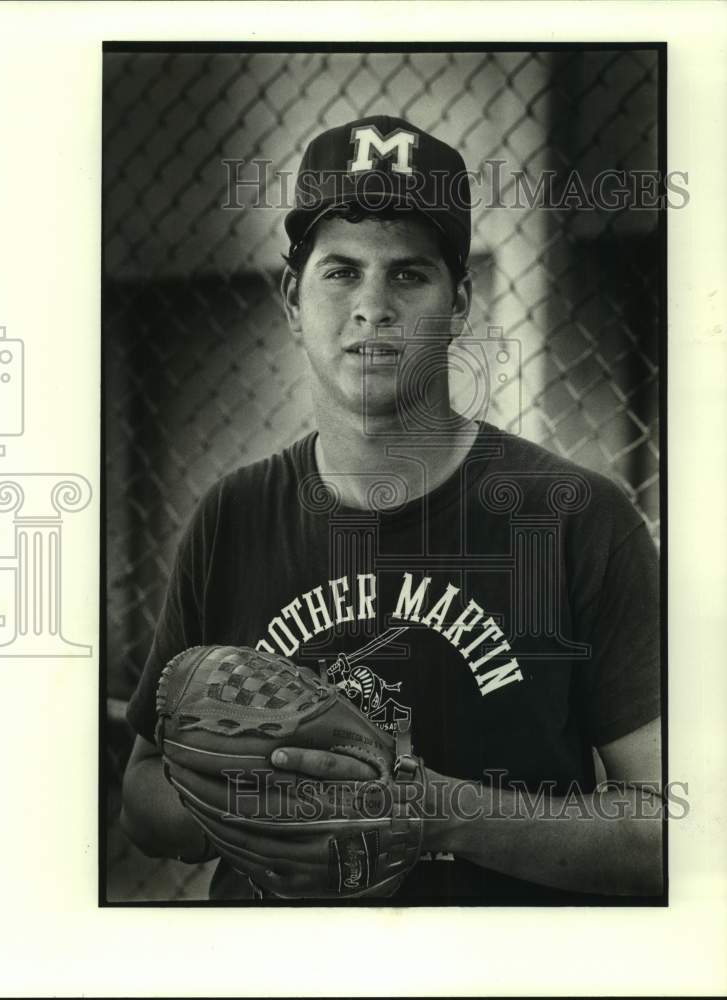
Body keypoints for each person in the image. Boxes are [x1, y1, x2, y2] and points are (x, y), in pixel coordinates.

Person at [120, 115, 662, 902]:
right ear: (291, 299)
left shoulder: (577, 516)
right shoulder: (231, 515)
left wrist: (433, 811)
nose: (372, 307)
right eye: (340, 271)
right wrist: (259, 802)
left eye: (408, 274)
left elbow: (669, 834)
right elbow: (143, 796)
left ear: (461, 301)